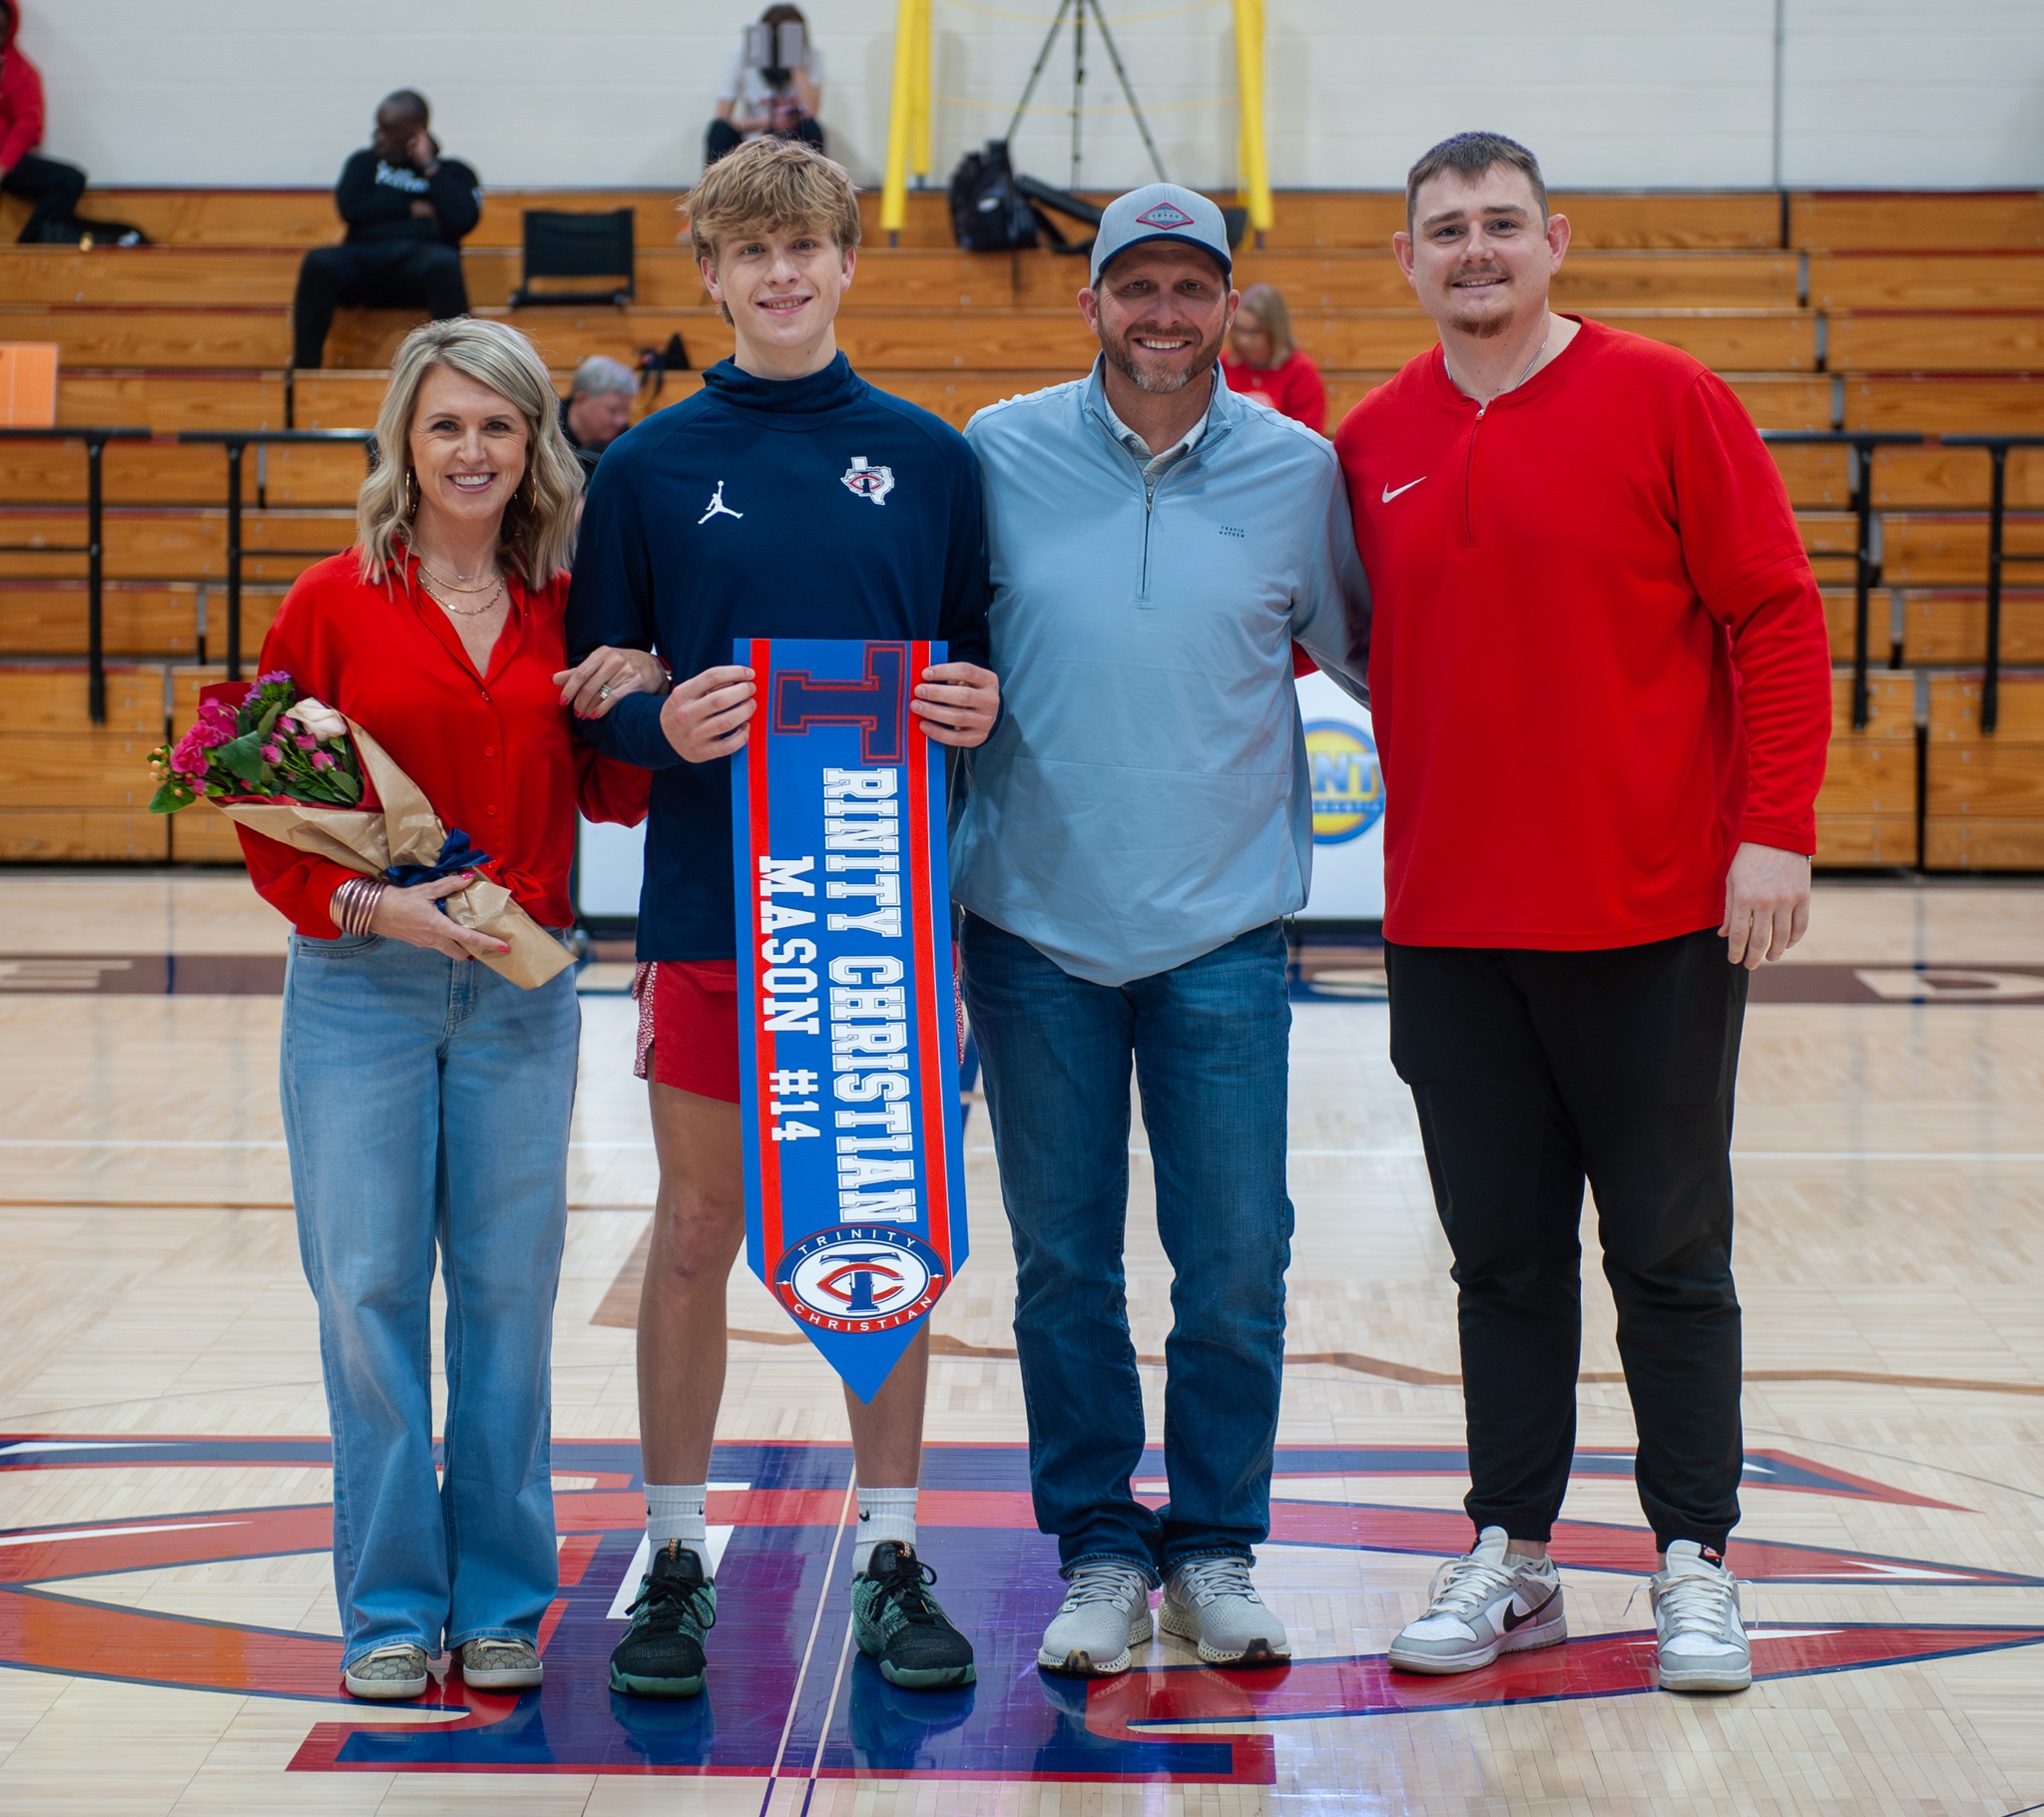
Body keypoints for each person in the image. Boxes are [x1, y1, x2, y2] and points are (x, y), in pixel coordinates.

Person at [1333, 132, 1831, 1695]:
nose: (1473, 250)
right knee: (1501, 1264)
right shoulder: (1370, 442)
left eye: (1499, 225)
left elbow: (1776, 616)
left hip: (1654, 919)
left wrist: (1775, 832)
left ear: (1555, 240)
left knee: (1673, 1256)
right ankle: (1516, 1551)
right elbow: (1362, 647)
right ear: (1406, 261)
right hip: (1453, 930)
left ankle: (1695, 1558)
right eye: (1444, 231)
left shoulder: (1667, 398)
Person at [565, 136, 998, 1700]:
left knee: (883, 1231)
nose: (780, 276)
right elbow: (593, 688)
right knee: (694, 1233)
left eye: (804, 249)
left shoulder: (936, 459)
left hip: (881, 917)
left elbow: (980, 668)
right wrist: (653, 726)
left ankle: (890, 1548)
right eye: (750, 256)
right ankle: (673, 1551)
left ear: (847, 260)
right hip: (705, 907)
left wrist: (972, 701)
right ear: (713, 276)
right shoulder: (646, 467)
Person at [953, 185, 1370, 1678]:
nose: (1164, 314)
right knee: (1065, 1266)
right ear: (1094, 305)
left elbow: (1386, 658)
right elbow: (917, 639)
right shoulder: (993, 454)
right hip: (1032, 927)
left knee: (1239, 1256)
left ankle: (1212, 1542)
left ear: (1229, 307)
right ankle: (1099, 1551)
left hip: (1223, 932)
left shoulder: (1300, 470)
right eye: (1138, 287)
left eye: (1192, 287)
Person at [236, 316, 662, 1702]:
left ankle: (499, 1603)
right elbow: (262, 804)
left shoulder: (568, 600)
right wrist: (374, 907)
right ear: (403, 444)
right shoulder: (330, 602)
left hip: (521, 995)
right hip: (359, 990)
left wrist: (637, 702)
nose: (471, 450)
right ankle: (388, 1609)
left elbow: (613, 795)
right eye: (446, 426)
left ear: (535, 443)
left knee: (503, 1297)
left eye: (497, 426)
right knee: (363, 1296)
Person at [292, 91, 481, 371]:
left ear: (416, 132)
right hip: (365, 264)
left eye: (388, 129)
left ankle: (459, 368)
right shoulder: (364, 163)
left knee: (444, 263)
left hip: (419, 271)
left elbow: (462, 218)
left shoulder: (453, 172)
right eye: (378, 126)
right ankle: (305, 372)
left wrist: (429, 167)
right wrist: (412, 209)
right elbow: (352, 207)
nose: (377, 136)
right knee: (319, 262)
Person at [0, 1, 89, 244]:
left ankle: (27, 248)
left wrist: (3, 165)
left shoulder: (21, 71)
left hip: (6, 162)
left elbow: (27, 125)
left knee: (70, 180)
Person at [708, 4, 825, 165]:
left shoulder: (811, 55)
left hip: (793, 139)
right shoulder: (741, 53)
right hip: (753, 135)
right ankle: (714, 187)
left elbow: (811, 112)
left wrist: (793, 59)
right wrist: (767, 122)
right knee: (719, 130)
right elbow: (722, 116)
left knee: (812, 128)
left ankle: (815, 187)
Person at [1222, 283, 1325, 434]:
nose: (1244, 340)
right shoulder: (1223, 365)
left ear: (1275, 331)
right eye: (1239, 329)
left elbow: (1307, 437)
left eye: (1254, 332)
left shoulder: (1300, 371)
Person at [561, 355, 639, 480]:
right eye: (612, 410)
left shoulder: (628, 443)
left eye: (625, 411)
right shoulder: (544, 429)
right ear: (581, 399)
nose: (620, 421)